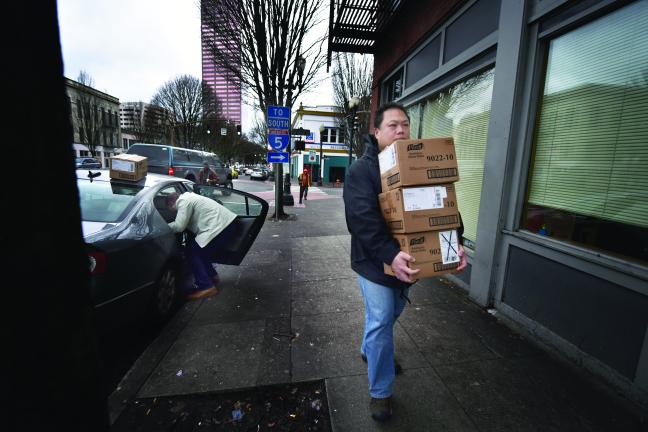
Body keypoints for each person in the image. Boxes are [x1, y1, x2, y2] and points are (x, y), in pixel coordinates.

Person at [343, 103, 467, 422]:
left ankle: (370, 348)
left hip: (409, 260)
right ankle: (381, 393)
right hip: (375, 262)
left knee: (387, 316)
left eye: (405, 125)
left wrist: (455, 244)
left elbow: (443, 206)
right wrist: (389, 255)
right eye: (393, 126)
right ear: (377, 132)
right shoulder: (362, 171)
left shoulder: (416, 161)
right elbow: (362, 221)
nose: (401, 131)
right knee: (383, 318)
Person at [166, 191, 238, 300]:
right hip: (225, 225)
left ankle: (207, 287)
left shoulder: (183, 201)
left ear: (171, 203)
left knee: (192, 253)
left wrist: (164, 227)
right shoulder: (190, 196)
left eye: (172, 209)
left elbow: (179, 226)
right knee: (201, 252)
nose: (174, 211)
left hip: (219, 227)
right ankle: (212, 277)